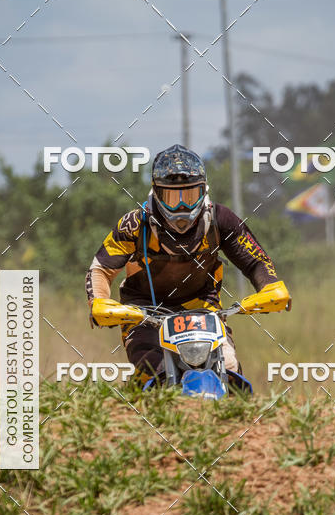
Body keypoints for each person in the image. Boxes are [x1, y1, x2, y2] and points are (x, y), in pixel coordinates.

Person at [86, 144, 289, 383]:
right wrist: (98, 301)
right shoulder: (134, 224)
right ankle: (140, 415)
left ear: (204, 191)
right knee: (152, 374)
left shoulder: (221, 219)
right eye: (172, 197)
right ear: (156, 193)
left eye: (189, 195)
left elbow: (256, 261)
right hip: (143, 311)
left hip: (203, 307)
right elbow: (101, 268)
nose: (182, 206)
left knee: (230, 367)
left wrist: (271, 287)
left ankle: (238, 417)